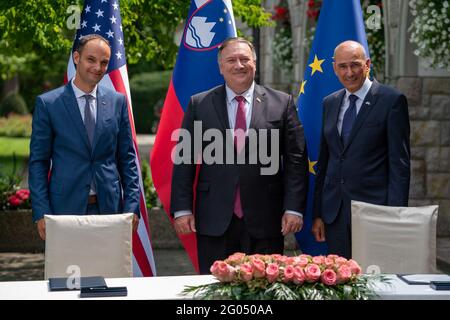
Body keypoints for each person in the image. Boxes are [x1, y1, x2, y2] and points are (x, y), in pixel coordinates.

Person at [171, 37, 308, 274]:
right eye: (231, 60)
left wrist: (293, 208)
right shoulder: (199, 104)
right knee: (214, 289)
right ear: (221, 67)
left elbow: (296, 160)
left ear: (254, 63)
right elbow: (184, 159)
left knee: (265, 289)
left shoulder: (281, 103)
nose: (239, 65)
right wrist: (182, 209)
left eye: (245, 59)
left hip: (266, 219)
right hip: (214, 219)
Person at [29, 34, 140, 240]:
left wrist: (132, 207)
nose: (98, 67)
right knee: (68, 272)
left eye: (104, 62)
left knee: (109, 271)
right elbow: (38, 163)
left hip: (110, 210)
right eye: (91, 59)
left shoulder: (118, 102)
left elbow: (127, 160)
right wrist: (41, 212)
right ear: (77, 57)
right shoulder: (49, 104)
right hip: (64, 211)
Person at [312, 40, 411, 258]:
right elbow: (325, 161)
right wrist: (318, 213)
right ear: (334, 68)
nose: (349, 72)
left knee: (373, 282)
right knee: (340, 283)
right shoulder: (330, 102)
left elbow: (399, 165)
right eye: (343, 66)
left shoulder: (391, 100)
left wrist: (394, 215)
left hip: (374, 212)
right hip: (335, 214)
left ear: (367, 64)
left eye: (355, 65)